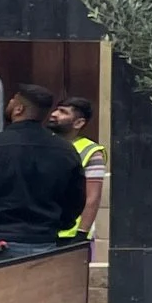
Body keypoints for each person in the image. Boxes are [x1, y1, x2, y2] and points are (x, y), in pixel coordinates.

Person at [0, 84, 86, 265]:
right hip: (44, 243)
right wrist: (59, 224)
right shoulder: (66, 151)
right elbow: (75, 199)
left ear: (19, 108)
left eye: (11, 101)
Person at [46, 97, 107, 250]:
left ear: (79, 123)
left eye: (63, 112)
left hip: (70, 235)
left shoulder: (91, 152)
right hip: (40, 230)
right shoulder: (42, 144)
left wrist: (81, 233)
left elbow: (92, 197)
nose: (54, 114)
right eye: (56, 109)